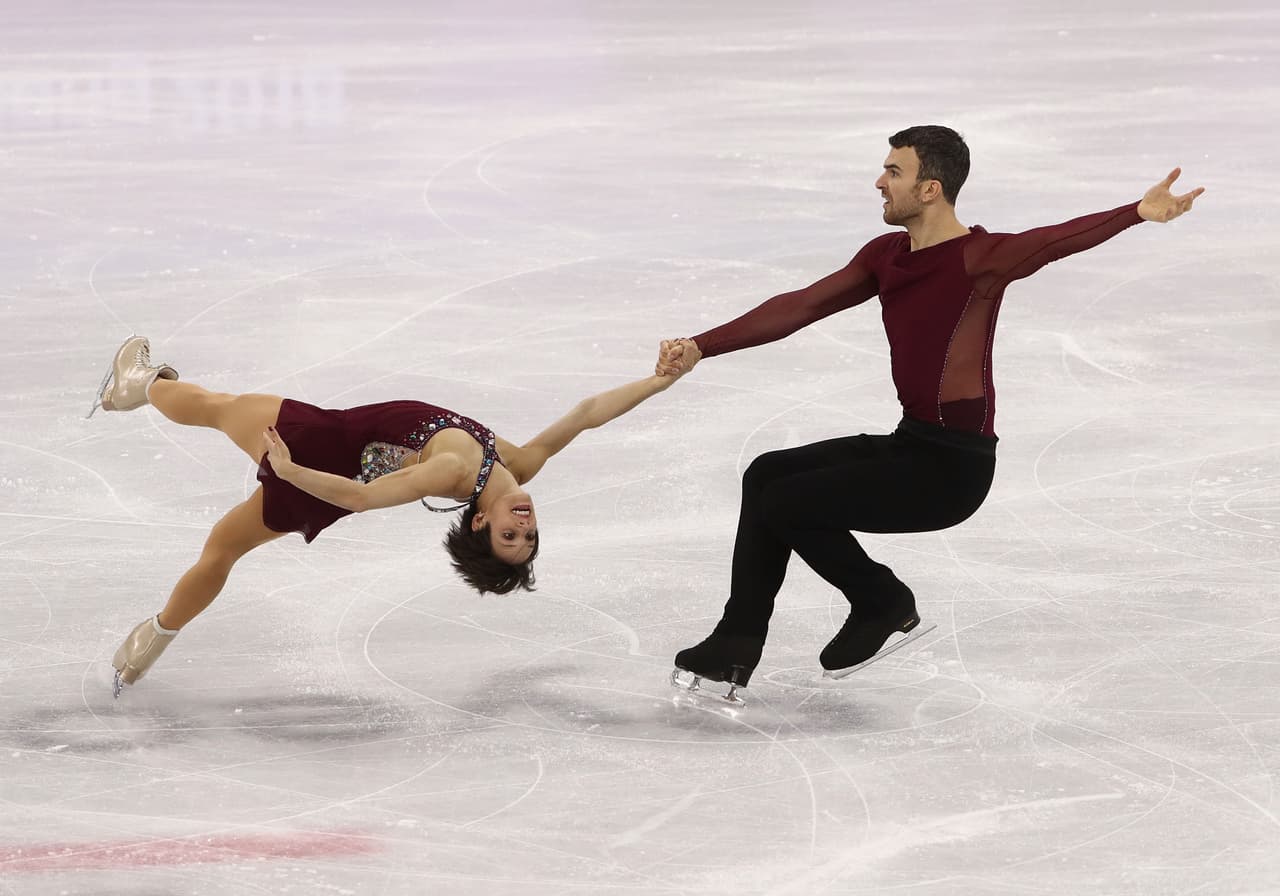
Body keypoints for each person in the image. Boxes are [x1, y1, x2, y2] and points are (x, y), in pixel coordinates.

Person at [656, 125, 1204, 702]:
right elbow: (802, 305)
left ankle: (881, 600)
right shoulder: (886, 256)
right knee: (767, 473)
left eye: (894, 172)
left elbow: (1053, 240)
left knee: (787, 502)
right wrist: (702, 345)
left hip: (951, 472)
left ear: (930, 189)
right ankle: (736, 641)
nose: (879, 181)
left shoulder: (979, 259)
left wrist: (1136, 212)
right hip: (911, 445)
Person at [95, 335, 687, 696]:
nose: (524, 523)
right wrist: (659, 382)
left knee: (216, 407)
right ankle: (149, 643)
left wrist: (291, 469)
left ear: (481, 524)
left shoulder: (453, 470)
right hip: (324, 477)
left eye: (510, 534)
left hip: (314, 447)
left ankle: (138, 385)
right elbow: (585, 414)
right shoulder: (518, 464)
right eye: (528, 535)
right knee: (224, 548)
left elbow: (360, 499)